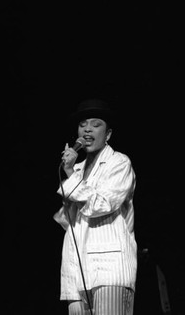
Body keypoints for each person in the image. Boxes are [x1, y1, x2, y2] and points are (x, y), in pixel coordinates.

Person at [53, 98, 137, 315]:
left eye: (95, 124)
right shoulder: (78, 169)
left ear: (108, 134)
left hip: (110, 271)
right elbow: (66, 220)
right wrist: (72, 172)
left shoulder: (119, 163)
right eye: (83, 125)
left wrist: (71, 176)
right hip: (77, 272)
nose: (87, 129)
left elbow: (101, 205)